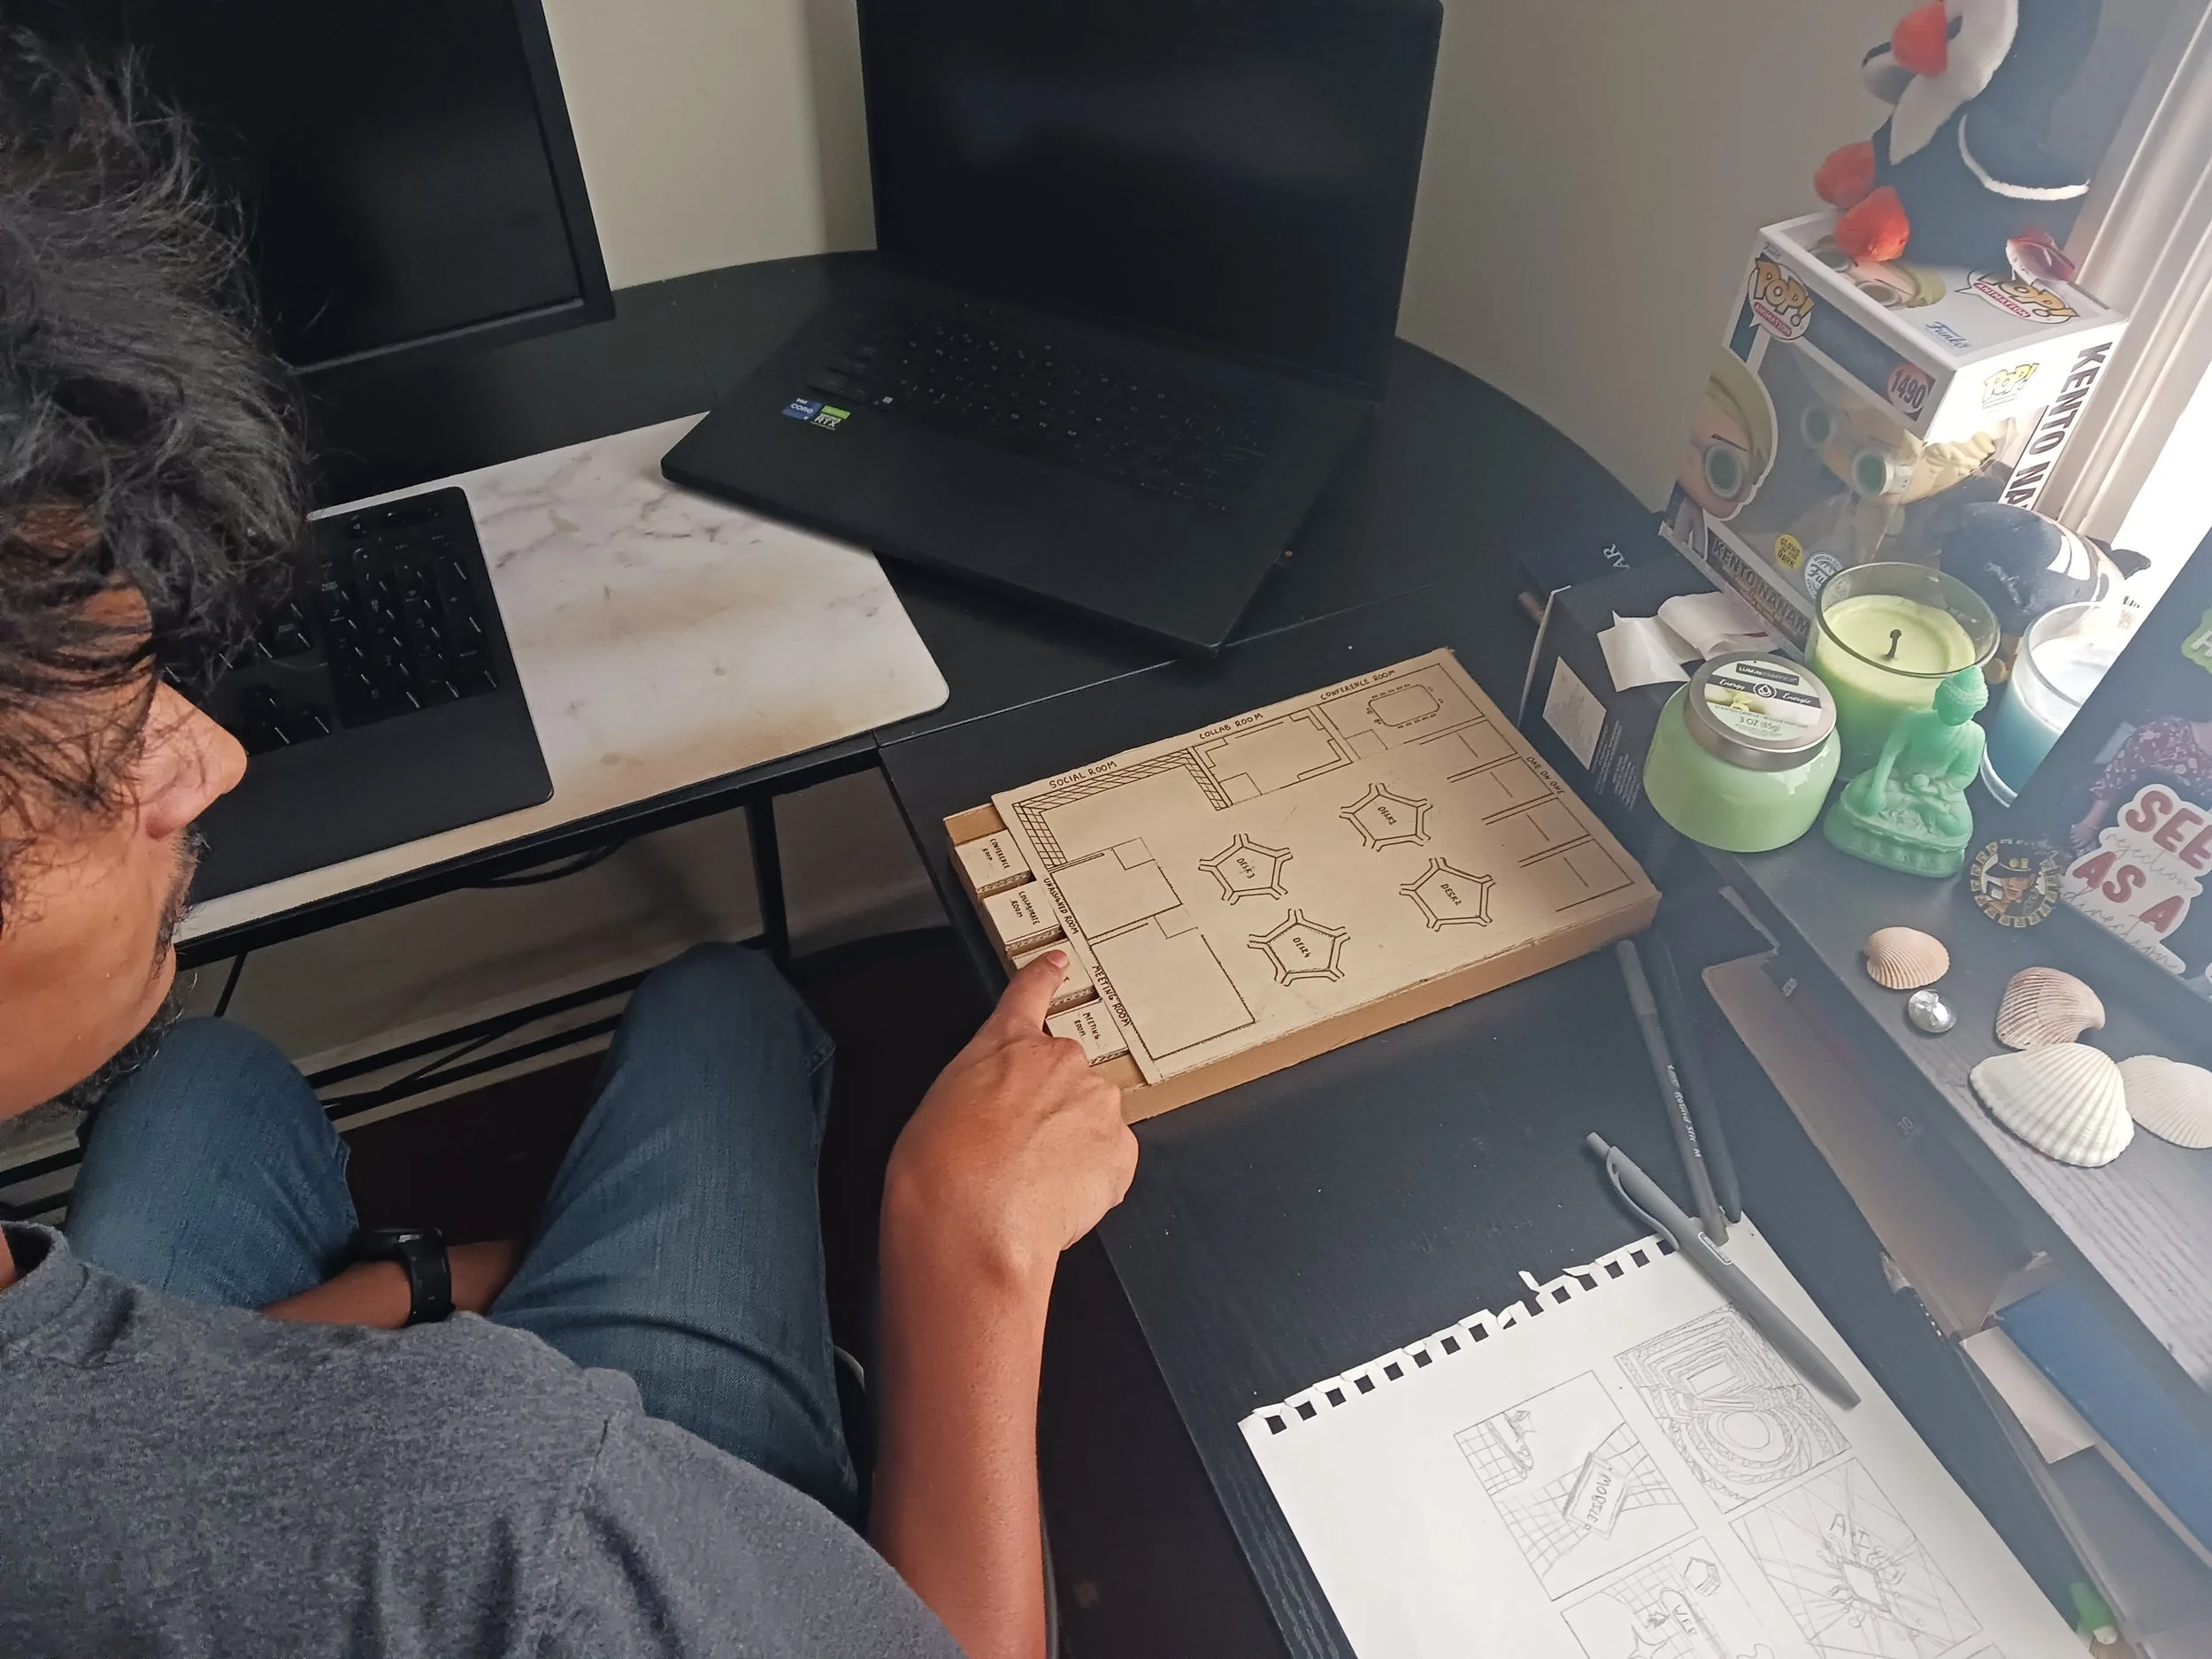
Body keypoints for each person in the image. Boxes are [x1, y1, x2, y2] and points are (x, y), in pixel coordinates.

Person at [0, 38, 1137, 1659]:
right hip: (531, 1509)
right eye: (108, 740)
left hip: (305, 1428)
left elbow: (115, 1416)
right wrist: (962, 1248)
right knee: (715, 1008)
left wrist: (416, 1286)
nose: (211, 757)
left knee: (204, 1079)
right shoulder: (500, 1512)